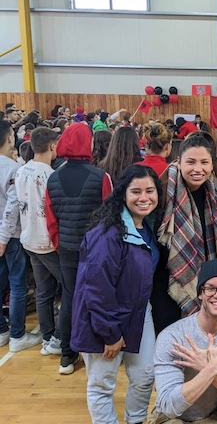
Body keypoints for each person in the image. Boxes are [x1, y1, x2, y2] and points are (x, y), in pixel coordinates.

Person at [71, 165, 161, 424]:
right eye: (136, 192)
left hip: (139, 313)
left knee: (145, 375)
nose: (144, 197)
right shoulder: (107, 233)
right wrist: (110, 333)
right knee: (101, 384)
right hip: (104, 320)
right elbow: (96, 289)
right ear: (122, 194)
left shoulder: (147, 226)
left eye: (150, 191)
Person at [46, 123, 114, 374]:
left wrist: (59, 244)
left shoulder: (53, 177)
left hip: (66, 247)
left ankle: (67, 355)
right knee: (98, 295)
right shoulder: (101, 176)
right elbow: (110, 215)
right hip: (96, 248)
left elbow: (51, 219)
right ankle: (94, 348)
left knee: (70, 298)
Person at [152, 258, 217, 423]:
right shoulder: (173, 336)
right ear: (200, 293)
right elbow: (169, 405)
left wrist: (208, 367)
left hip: (212, 416)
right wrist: (211, 369)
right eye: (210, 288)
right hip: (171, 418)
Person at [155, 134, 217, 332]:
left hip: (207, 277)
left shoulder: (215, 190)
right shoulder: (163, 190)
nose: (198, 169)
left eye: (204, 162)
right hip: (168, 279)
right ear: (179, 162)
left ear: (212, 164)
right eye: (191, 162)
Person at [15, 128, 63, 356]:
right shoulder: (50, 175)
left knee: (44, 291)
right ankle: (58, 337)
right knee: (71, 288)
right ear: (53, 146)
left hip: (28, 238)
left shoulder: (21, 170)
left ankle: (47, 337)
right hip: (47, 241)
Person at [0, 121, 42, 353]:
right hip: (11, 235)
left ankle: (3, 331)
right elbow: (13, 205)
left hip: (6, 234)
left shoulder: (15, 166)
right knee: (17, 284)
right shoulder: (12, 168)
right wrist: (4, 237)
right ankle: (16, 334)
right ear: (9, 139)